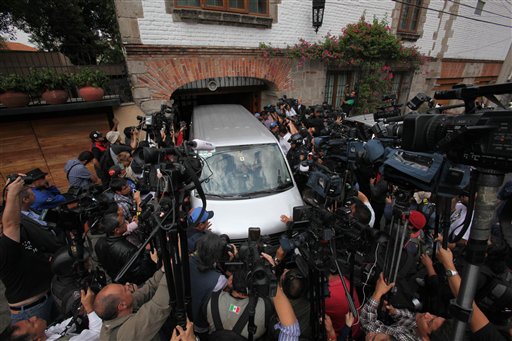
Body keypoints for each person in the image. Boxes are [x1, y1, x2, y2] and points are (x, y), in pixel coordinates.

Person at [1, 177, 56, 323]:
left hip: (47, 297)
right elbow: (11, 223)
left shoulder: (15, 236)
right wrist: (12, 192)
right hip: (31, 311)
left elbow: (12, 218)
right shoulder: (4, 246)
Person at [93, 268, 170, 341]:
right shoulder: (126, 334)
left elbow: (149, 289)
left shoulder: (123, 307)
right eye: (125, 289)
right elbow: (158, 307)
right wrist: (172, 269)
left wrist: (163, 270)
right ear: (122, 306)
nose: (127, 286)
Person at [6, 288, 101, 341]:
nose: (34, 317)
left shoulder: (45, 333)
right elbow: (98, 332)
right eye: (32, 323)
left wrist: (79, 313)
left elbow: (64, 327)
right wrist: (89, 308)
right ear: (37, 339)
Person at [94, 213, 155, 285]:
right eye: (123, 223)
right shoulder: (128, 250)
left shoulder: (99, 243)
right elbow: (141, 273)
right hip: (132, 283)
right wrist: (147, 251)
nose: (126, 223)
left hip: (116, 280)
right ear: (116, 230)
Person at [189, 233, 229, 333]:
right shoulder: (220, 280)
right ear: (217, 257)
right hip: (201, 324)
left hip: (186, 316)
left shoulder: (186, 262)